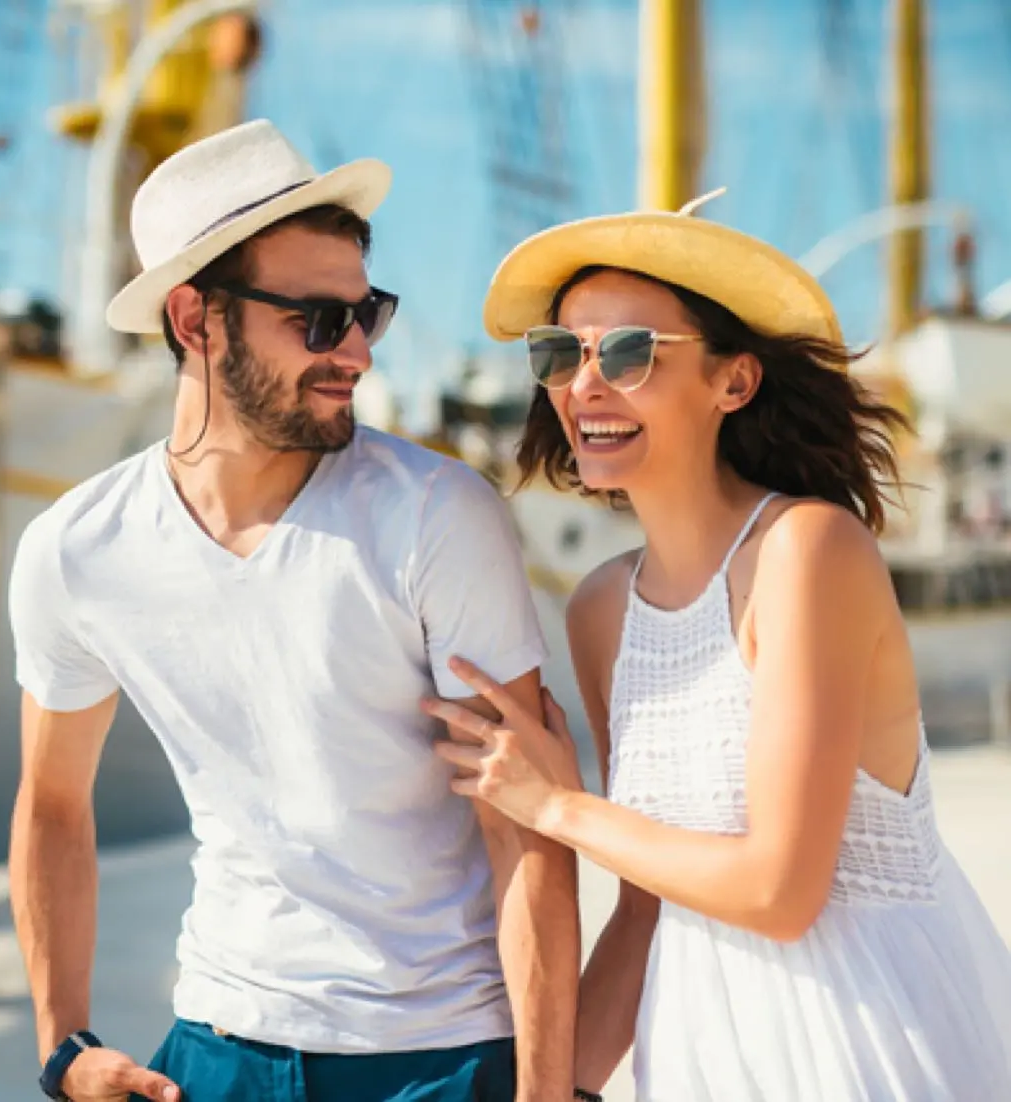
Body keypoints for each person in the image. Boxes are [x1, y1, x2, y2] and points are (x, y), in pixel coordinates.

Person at [7, 119, 580, 1102]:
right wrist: (64, 1049)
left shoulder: (438, 516)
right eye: (318, 320)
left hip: (439, 1056)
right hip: (211, 1052)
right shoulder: (77, 549)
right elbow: (53, 802)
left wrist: (543, 1088)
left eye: (369, 314)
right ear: (195, 320)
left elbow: (523, 829)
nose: (356, 352)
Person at [422, 195, 1011, 1101]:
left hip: (865, 1040)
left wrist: (558, 807)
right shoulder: (599, 610)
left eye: (626, 353)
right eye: (558, 355)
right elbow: (648, 907)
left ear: (733, 383)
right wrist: (558, 1091)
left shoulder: (808, 552)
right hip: (696, 1049)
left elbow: (781, 891)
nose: (583, 388)